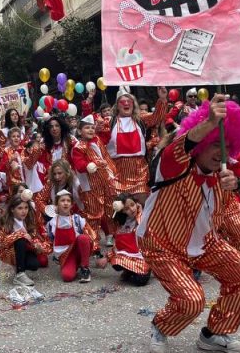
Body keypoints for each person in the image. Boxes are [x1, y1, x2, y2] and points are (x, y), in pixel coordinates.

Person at [138, 97, 240, 353]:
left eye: (227, 146)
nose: (222, 152)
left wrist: (238, 186)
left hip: (204, 243)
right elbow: (180, 147)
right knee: (192, 300)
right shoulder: (174, 166)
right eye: (216, 144)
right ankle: (160, 327)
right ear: (202, 143)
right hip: (162, 244)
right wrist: (210, 123)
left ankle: (215, 333)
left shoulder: (223, 173)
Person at [96, 87, 169, 197]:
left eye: (129, 101)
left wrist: (162, 99)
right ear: (117, 105)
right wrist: (97, 128)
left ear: (133, 104)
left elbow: (157, 117)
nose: (126, 103)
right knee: (119, 208)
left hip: (139, 170)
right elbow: (98, 137)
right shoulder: (109, 122)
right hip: (117, 171)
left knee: (142, 203)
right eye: (123, 101)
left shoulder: (141, 119)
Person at [71, 115, 117, 243]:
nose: (91, 130)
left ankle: (112, 235)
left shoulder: (97, 140)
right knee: (94, 214)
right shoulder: (78, 147)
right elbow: (79, 165)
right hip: (90, 185)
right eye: (87, 128)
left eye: (92, 127)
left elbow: (106, 136)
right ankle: (94, 241)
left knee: (110, 208)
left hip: (106, 181)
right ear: (80, 131)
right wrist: (87, 165)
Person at [0, 192, 50, 287]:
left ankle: (18, 266)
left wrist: (37, 246)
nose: (23, 211)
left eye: (26, 208)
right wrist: (20, 234)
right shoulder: (6, 223)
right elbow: (3, 242)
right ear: (12, 209)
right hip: (8, 251)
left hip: (25, 249)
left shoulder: (28, 221)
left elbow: (34, 237)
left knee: (34, 265)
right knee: (20, 239)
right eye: (20, 208)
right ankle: (20, 274)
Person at [45, 190, 96, 283]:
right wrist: (41, 248)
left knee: (83, 238)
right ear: (56, 204)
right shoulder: (51, 223)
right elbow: (48, 241)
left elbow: (91, 235)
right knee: (67, 277)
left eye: (68, 201)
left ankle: (85, 268)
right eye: (62, 200)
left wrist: (98, 253)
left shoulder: (77, 219)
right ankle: (76, 265)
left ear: (72, 205)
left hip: (79, 251)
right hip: (66, 256)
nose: (66, 203)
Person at [106, 193, 150, 286]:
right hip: (129, 255)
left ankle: (134, 271)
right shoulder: (122, 224)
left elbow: (145, 230)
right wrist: (107, 258)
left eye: (132, 205)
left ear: (136, 204)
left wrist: (140, 212)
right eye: (126, 208)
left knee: (140, 280)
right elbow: (118, 245)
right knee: (116, 262)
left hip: (144, 256)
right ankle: (130, 270)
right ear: (122, 211)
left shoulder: (144, 216)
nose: (132, 209)